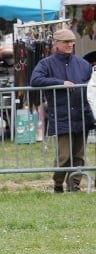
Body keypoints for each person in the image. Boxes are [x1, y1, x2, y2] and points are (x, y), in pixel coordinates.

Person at [30, 29, 94, 193]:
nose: (70, 44)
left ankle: (75, 184)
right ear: (56, 43)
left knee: (79, 155)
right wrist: (60, 82)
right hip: (61, 115)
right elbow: (35, 80)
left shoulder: (83, 64)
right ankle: (58, 183)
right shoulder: (46, 64)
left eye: (72, 41)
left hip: (82, 114)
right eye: (66, 42)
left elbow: (92, 86)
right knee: (64, 155)